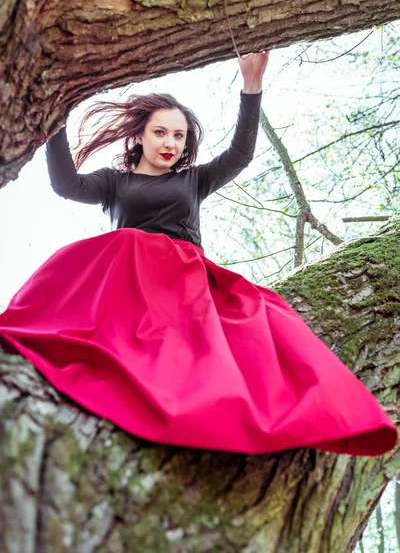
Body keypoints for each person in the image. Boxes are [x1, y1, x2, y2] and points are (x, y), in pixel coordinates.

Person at [0, 53, 396, 456]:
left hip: (181, 276)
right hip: (128, 276)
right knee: (117, 257)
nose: (170, 142)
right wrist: (55, 123)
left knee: (256, 327)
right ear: (138, 135)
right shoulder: (113, 183)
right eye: (160, 132)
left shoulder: (193, 180)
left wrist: (251, 88)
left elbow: (239, 155)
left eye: (179, 135)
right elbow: (66, 184)